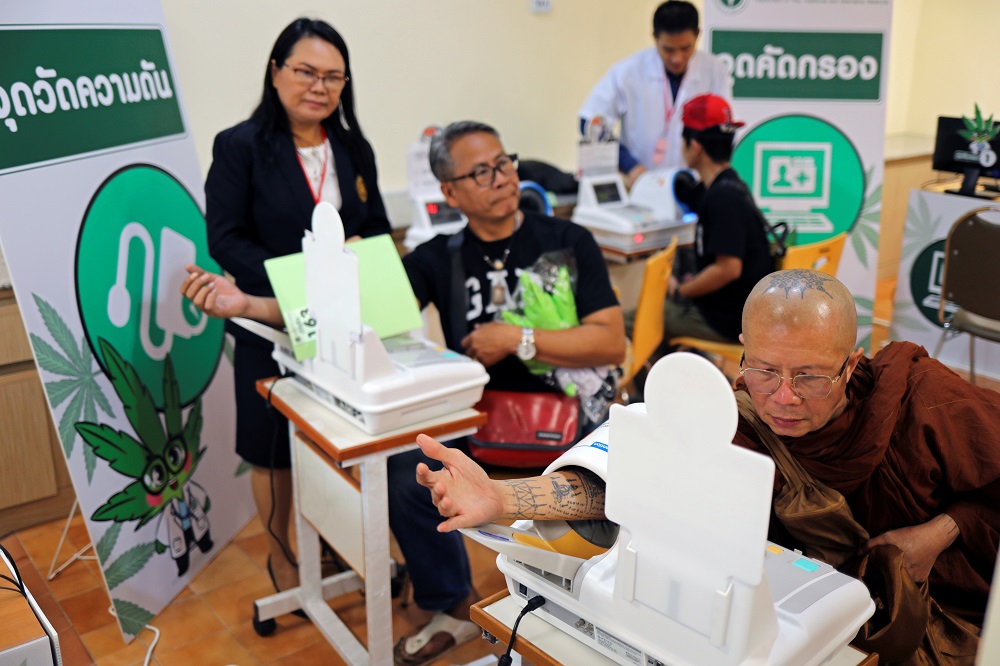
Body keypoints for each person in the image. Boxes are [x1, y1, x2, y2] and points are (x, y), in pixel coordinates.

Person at [414, 269, 1000, 635]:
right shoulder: (735, 414)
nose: (785, 398)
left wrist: (941, 532)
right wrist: (500, 495)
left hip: (946, 603)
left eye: (811, 376)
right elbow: (627, 477)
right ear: (742, 351)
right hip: (803, 616)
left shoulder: (921, 399)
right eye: (765, 370)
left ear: (852, 363)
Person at [391, 120, 626, 664]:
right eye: (481, 172)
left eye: (504, 163)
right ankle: (452, 602)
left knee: (599, 487)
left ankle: (574, 616)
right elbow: (369, 310)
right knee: (407, 476)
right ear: (450, 192)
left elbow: (610, 340)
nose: (501, 178)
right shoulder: (438, 257)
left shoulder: (566, 240)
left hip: (571, 417)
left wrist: (517, 338)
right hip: (480, 421)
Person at [203, 18, 391, 598]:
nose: (320, 86)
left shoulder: (353, 147)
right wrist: (303, 280)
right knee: (270, 450)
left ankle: (334, 544)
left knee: (339, 439)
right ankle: (282, 555)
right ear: (275, 71)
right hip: (269, 318)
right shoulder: (240, 145)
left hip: (345, 327)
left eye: (334, 76)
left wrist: (358, 256)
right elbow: (226, 239)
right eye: (307, 71)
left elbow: (377, 226)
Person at [580, 1, 732, 188]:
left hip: (693, 183)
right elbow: (589, 121)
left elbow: (722, 128)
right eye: (668, 49)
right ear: (654, 38)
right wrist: (630, 166)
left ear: (698, 35)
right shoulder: (628, 71)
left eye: (686, 48)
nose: (677, 58)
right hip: (640, 182)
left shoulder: (714, 70)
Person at [663, 93, 773, 345]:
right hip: (738, 311)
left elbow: (727, 268)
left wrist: (681, 291)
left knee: (640, 319)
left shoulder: (722, 198)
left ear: (695, 146)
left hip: (727, 321)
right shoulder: (730, 185)